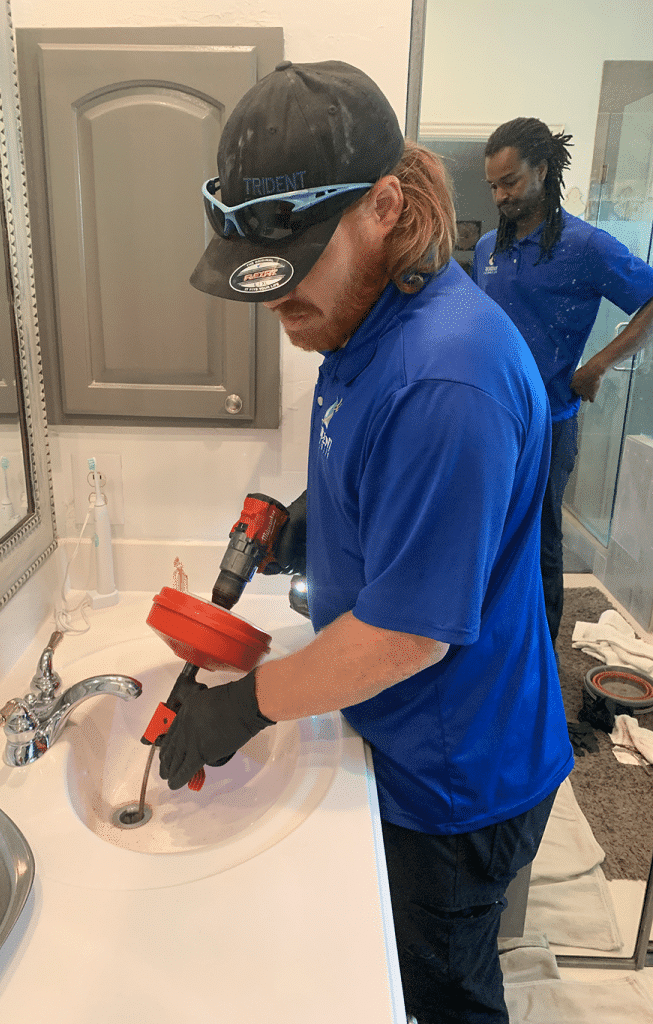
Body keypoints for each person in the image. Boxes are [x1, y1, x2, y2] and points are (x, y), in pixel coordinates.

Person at [158, 61, 574, 1024]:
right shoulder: (368, 321)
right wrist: (314, 520)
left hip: (457, 782)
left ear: (385, 205)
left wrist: (246, 708)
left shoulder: (447, 375)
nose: (278, 305)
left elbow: (405, 638)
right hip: (415, 740)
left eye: (297, 269)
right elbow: (392, 464)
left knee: (443, 999)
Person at [473, 118, 653, 647]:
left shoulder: (586, 246)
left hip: (549, 425)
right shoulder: (488, 249)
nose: (500, 195)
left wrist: (598, 365)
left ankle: (542, 664)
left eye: (510, 182)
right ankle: (489, 647)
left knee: (542, 544)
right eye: (493, 186)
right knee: (486, 537)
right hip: (489, 421)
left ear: (543, 170)